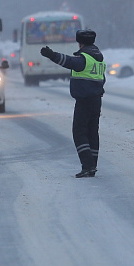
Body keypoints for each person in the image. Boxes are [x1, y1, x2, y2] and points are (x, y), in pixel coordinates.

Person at [40, 29, 106, 178]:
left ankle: (87, 166)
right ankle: (92, 165)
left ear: (80, 43)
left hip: (84, 100)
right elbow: (102, 79)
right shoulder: (98, 59)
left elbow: (69, 61)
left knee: (79, 132)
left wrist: (52, 55)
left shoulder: (85, 58)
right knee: (92, 133)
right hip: (96, 100)